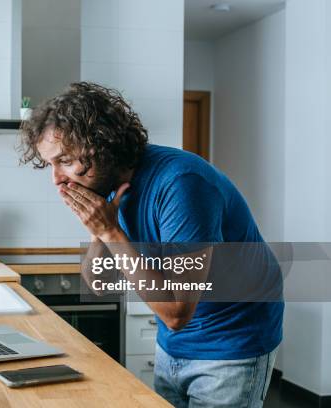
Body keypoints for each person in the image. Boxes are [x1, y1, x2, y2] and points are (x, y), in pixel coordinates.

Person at [19, 82, 283, 408]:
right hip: (173, 344)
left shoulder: (180, 184)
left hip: (230, 343)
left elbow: (176, 312)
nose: (57, 179)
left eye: (65, 160)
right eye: (51, 165)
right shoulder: (112, 190)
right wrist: (98, 232)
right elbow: (98, 285)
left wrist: (112, 232)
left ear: (102, 144)